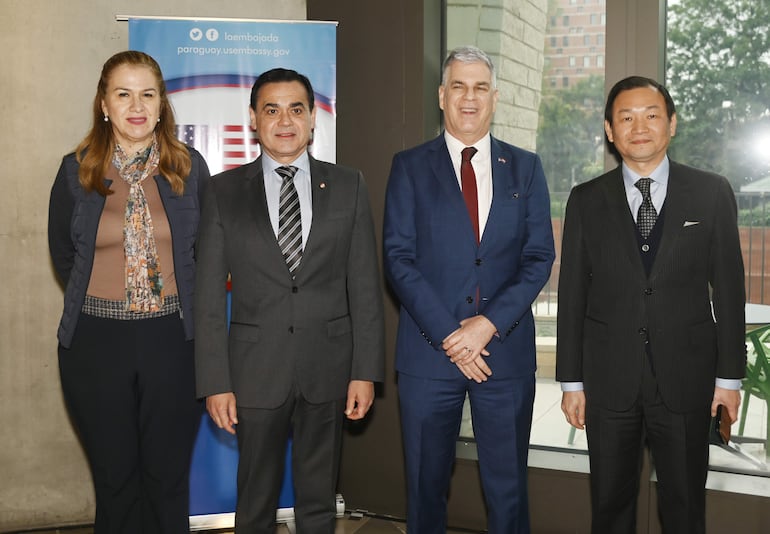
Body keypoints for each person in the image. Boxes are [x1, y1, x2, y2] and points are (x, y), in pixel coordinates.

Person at [194, 67, 385, 533]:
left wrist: (365, 372)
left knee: (319, 500)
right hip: (254, 371)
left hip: (329, 367)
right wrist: (215, 380)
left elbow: (364, 286)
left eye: (296, 109)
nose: (285, 120)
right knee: (255, 500)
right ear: (254, 120)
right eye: (272, 109)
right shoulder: (222, 192)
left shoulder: (348, 185)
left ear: (313, 118)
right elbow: (206, 295)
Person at [556, 76, 746, 533]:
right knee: (610, 506)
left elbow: (730, 289)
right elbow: (572, 294)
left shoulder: (711, 192)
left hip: (687, 381)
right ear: (609, 130)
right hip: (608, 382)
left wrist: (728, 379)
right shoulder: (585, 200)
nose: (639, 127)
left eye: (651, 115)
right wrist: (570, 381)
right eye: (626, 117)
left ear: (672, 124)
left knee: (684, 508)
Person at [383, 46, 555, 533]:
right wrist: (452, 336)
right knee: (425, 489)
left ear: (495, 97)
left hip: (503, 355)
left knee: (507, 494)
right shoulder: (409, 166)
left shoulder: (526, 167)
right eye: (458, 85)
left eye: (480, 87)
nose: (469, 97)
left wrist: (486, 325)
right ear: (441, 95)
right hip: (427, 356)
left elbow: (539, 257)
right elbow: (398, 259)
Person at [47, 50, 210, 532]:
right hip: (96, 345)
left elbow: (205, 254)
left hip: (173, 344)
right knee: (115, 481)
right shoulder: (75, 171)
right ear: (104, 103)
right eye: (123, 94)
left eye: (147, 94)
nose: (136, 106)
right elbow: (64, 255)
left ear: (162, 104)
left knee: (167, 481)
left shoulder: (189, 168)